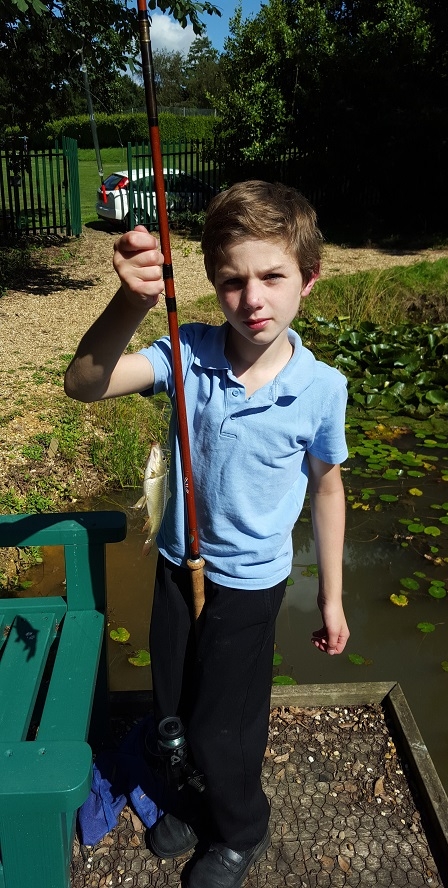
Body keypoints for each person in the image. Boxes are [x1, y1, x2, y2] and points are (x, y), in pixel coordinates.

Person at [65, 180, 350, 888]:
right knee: (174, 709)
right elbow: (85, 384)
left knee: (228, 727)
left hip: (251, 587)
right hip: (173, 564)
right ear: (213, 284)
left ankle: (240, 827)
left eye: (273, 276)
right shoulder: (186, 354)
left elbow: (328, 487)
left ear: (307, 281)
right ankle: (194, 801)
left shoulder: (322, 388)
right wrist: (130, 301)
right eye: (232, 280)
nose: (253, 298)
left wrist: (332, 599)